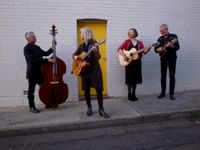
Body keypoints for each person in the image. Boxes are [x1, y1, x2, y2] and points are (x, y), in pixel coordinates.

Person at [73, 27, 109, 118]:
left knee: (98, 89)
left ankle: (101, 109)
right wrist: (76, 57)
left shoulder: (94, 43)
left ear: (86, 34)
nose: (80, 35)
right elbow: (74, 55)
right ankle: (89, 107)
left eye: (81, 33)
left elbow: (98, 57)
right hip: (84, 71)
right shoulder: (81, 46)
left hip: (94, 70)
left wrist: (96, 50)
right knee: (86, 90)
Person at [24, 31, 55, 113]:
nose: (35, 37)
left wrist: (52, 48)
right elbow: (33, 60)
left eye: (35, 36)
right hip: (32, 73)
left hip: (40, 72)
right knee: (31, 91)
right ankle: (32, 107)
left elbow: (45, 53)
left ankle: (48, 102)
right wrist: (48, 60)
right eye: (33, 37)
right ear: (28, 39)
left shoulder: (37, 47)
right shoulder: (26, 48)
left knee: (47, 87)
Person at [117, 28, 149, 101]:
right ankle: (129, 93)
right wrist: (124, 56)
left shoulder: (140, 43)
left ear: (135, 33)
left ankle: (133, 93)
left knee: (135, 79)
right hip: (129, 63)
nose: (129, 33)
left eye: (131, 32)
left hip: (137, 63)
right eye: (129, 32)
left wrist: (148, 48)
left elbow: (144, 52)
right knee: (129, 79)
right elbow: (119, 49)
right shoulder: (127, 41)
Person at [155, 24, 180, 100]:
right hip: (163, 59)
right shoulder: (159, 39)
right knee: (163, 76)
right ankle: (163, 93)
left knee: (172, 76)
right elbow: (156, 48)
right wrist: (158, 49)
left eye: (162, 31)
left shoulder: (173, 37)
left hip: (172, 59)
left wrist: (171, 46)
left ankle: (171, 94)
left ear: (167, 29)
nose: (161, 32)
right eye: (160, 31)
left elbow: (177, 47)